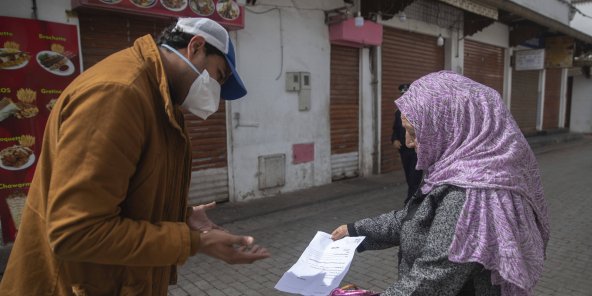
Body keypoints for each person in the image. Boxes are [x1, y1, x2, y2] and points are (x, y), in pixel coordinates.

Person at [0, 18, 270, 295]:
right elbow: (76, 232)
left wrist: (181, 215)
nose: (216, 93)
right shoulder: (118, 94)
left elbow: (126, 191)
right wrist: (194, 242)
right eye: (219, 76)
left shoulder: (161, 99)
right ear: (196, 47)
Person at [332, 71, 549, 296]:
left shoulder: (469, 194)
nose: (408, 142)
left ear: (450, 127)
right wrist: (355, 231)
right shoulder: (456, 169)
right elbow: (415, 219)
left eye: (414, 133)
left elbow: (433, 279)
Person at [391, 83, 422, 204]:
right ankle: (414, 197)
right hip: (404, 150)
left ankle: (410, 201)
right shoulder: (398, 112)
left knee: (414, 177)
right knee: (409, 177)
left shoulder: (419, 111)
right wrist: (394, 139)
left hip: (416, 149)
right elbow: (395, 129)